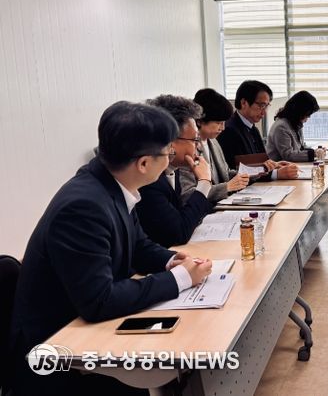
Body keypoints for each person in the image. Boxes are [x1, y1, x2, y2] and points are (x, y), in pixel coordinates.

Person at [9, 102, 212, 396]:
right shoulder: (84, 206)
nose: (171, 157)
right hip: (59, 357)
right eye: (167, 152)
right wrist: (180, 279)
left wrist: (172, 260)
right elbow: (99, 301)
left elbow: (138, 244)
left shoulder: (110, 182)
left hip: (85, 333)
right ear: (144, 164)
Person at [136, 95, 215, 247]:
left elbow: (186, 216)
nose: (199, 146)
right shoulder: (148, 179)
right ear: (170, 142)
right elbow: (178, 233)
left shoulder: (174, 168)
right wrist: (204, 183)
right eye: (195, 140)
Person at [179, 88, 250, 203]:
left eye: (224, 122)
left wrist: (250, 174)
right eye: (218, 123)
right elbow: (187, 194)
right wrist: (226, 187)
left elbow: (225, 174)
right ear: (199, 121)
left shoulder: (213, 142)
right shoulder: (187, 148)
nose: (223, 128)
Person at [217, 80, 298, 179]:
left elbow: (261, 162)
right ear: (244, 103)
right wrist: (275, 174)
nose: (264, 112)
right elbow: (235, 170)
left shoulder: (253, 129)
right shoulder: (228, 130)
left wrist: (275, 165)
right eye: (261, 106)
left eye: (266, 106)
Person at [266, 90, 320, 162]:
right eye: (307, 114)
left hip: (290, 165)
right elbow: (288, 155)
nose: (308, 117)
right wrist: (313, 154)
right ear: (299, 112)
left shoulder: (295, 124)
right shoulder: (281, 127)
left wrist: (316, 151)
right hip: (279, 166)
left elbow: (300, 148)